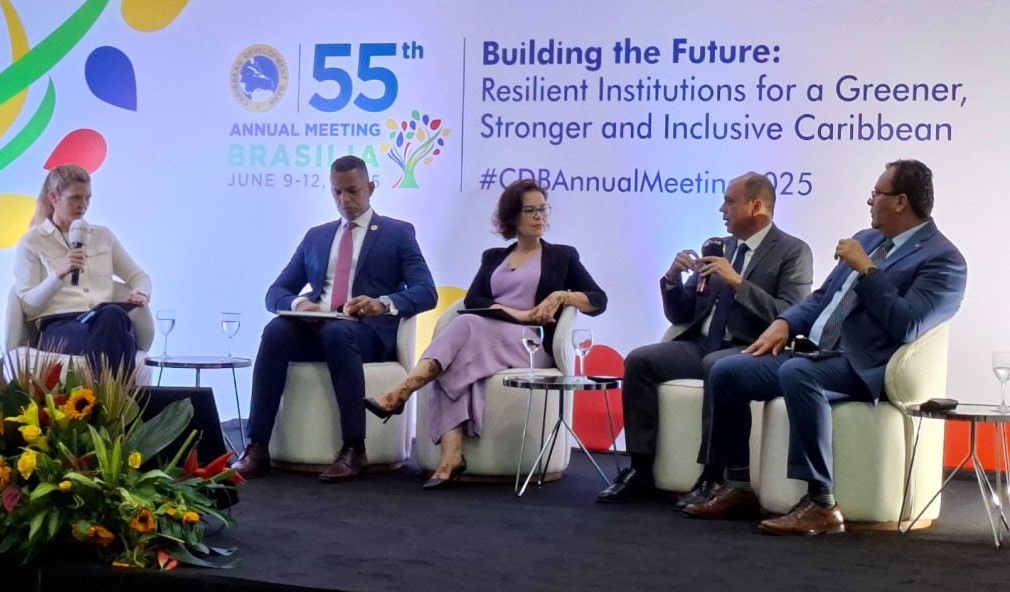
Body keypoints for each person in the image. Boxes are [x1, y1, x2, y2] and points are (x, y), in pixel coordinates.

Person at [686, 159, 967, 535]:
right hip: (813, 351)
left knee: (798, 372)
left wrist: (868, 272)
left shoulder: (943, 259)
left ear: (901, 201)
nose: (870, 202)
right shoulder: (867, 239)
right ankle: (738, 486)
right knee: (727, 370)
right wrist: (785, 322)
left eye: (876, 194)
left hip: (865, 364)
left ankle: (822, 503)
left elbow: (908, 325)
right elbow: (822, 298)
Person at [364, 179, 607, 489]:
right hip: (488, 337)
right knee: (458, 348)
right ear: (512, 217)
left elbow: (598, 300)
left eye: (543, 209)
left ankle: (401, 392)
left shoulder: (562, 256)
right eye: (530, 210)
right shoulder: (493, 257)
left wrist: (561, 296)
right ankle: (451, 457)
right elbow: (474, 299)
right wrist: (517, 313)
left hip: (530, 344)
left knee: (465, 325)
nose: (539, 216)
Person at [598, 173, 813, 506]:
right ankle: (640, 469)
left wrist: (738, 283)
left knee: (717, 364)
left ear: (756, 206)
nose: (721, 210)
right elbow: (682, 314)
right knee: (641, 360)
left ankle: (712, 476)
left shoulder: (792, 251)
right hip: (700, 345)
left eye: (729, 202)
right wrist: (672, 279)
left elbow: (790, 313)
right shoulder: (719, 247)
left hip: (750, 348)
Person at [234, 156, 437, 483]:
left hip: (366, 332)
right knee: (275, 331)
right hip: (319, 326)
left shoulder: (397, 233)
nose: (345, 200)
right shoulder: (316, 236)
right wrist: (301, 304)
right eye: (337, 192)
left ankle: (354, 448)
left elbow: (426, 292)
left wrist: (383, 303)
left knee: (337, 333)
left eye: (353, 191)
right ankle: (257, 447)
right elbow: (276, 292)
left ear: (371, 188)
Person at [14, 164, 152, 374]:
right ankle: (116, 394)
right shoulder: (32, 241)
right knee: (120, 337)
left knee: (113, 315)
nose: (83, 206)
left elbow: (139, 277)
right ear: (53, 198)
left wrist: (141, 293)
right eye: (75, 198)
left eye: (88, 198)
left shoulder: (102, 236)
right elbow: (28, 306)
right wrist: (58, 274)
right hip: (61, 327)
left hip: (106, 319)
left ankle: (97, 393)